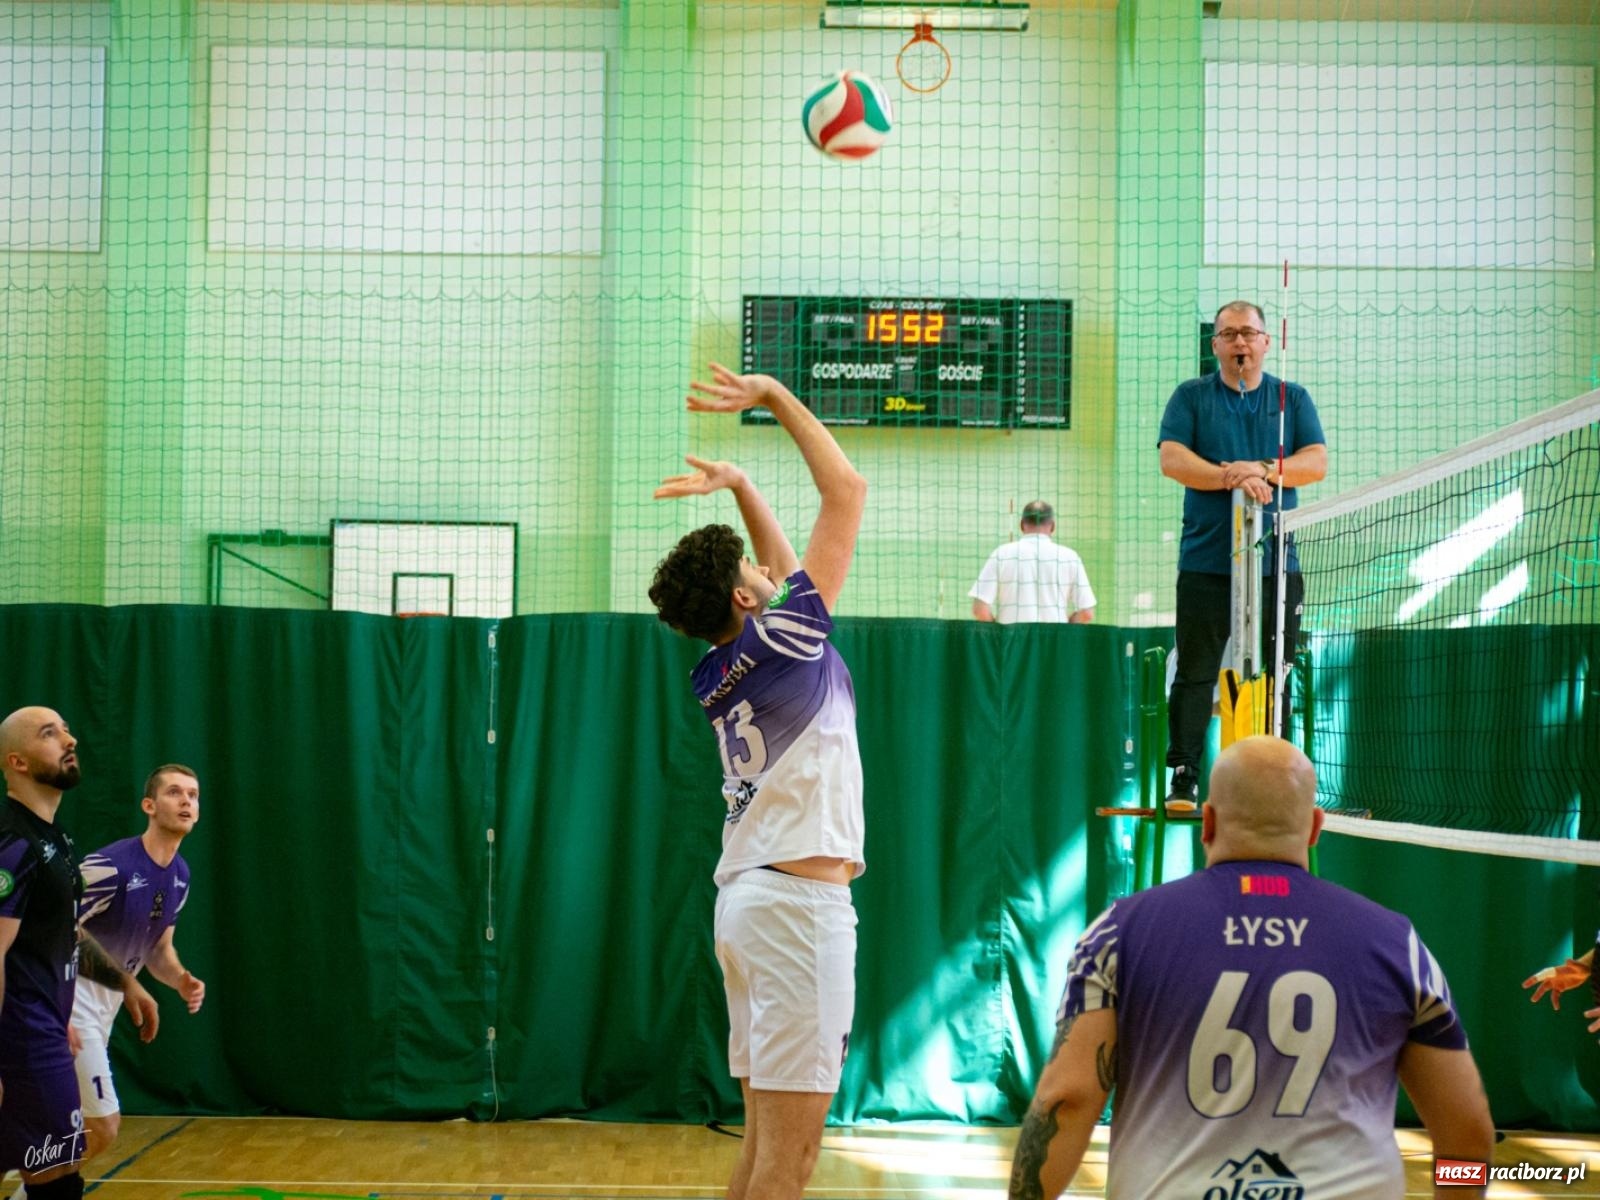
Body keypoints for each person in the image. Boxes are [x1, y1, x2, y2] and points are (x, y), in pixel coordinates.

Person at [1008, 736, 1494, 1200]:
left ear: (1208, 822)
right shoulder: (1396, 944)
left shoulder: (1119, 933)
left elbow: (1066, 1100)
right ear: (1315, 827)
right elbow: (1467, 1132)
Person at [648, 363, 867, 1200]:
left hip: (749, 903)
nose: (773, 573)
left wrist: (740, 484)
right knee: (791, 1160)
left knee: (760, 1149)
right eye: (755, 574)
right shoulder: (788, 641)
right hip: (798, 912)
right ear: (745, 596)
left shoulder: (721, 666)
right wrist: (773, 394)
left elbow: (775, 565)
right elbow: (845, 489)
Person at [1158, 301, 1328, 814]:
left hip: (1276, 561)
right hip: (1207, 559)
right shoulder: (1191, 396)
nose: (1239, 343)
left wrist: (1260, 469)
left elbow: (1315, 462)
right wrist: (1232, 476)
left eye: (1248, 334)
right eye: (1228, 334)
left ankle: (1276, 774)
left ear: (1265, 342)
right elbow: (1173, 460)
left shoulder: (1291, 399)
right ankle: (1185, 777)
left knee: (1277, 670)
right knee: (1195, 671)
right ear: (1215, 345)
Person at [0, 708, 158, 1200]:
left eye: (67, 728)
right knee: (56, 1173)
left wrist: (125, 982)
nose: (69, 739)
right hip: (21, 1036)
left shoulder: (58, 840)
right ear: (17, 762)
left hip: (44, 1024)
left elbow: (61, 934)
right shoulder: (12, 842)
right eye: (50, 734)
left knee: (52, 1166)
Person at [69, 764, 205, 1167]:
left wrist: (180, 978)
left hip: (105, 1003)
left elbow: (159, 948)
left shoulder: (179, 874)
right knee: (102, 1126)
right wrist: (127, 981)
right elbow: (52, 924)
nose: (186, 802)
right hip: (68, 997)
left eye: (193, 796)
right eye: (175, 792)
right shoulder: (110, 866)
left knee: (55, 1119)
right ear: (149, 804)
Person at [969, 501, 1096, 624]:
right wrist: (1067, 626)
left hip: (1011, 641)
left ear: (1022, 525)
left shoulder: (1001, 554)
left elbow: (979, 609)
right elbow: (1087, 613)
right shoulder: (1070, 557)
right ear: (1052, 526)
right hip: (1055, 641)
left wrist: (998, 633)